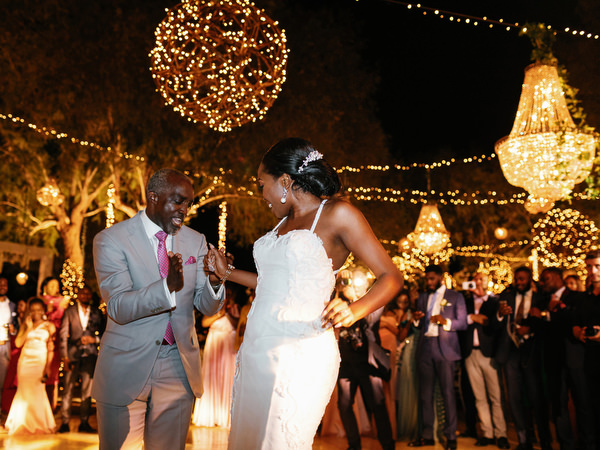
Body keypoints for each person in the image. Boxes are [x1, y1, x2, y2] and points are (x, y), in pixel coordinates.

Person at [206, 138, 403, 450]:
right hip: (256, 350)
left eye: (262, 184)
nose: (261, 195)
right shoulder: (282, 223)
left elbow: (391, 276)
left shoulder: (338, 213)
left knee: (280, 441)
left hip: (300, 352)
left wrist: (354, 310)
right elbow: (270, 283)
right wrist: (225, 273)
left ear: (285, 181)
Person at [92, 168, 226, 450]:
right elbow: (117, 305)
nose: (184, 210)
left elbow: (206, 306)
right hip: (125, 364)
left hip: (178, 366)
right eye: (177, 201)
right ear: (152, 197)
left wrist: (214, 281)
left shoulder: (195, 240)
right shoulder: (111, 239)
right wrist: (167, 288)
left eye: (188, 203)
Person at [408, 264, 467, 450]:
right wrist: (417, 318)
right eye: (427, 278)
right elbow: (418, 325)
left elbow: (463, 322)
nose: (429, 281)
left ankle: (450, 437)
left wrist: (446, 321)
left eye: (432, 278)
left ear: (441, 277)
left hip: (445, 349)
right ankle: (427, 435)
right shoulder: (424, 296)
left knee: (448, 393)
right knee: (425, 395)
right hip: (425, 347)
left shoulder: (455, 296)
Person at [336, 269, 395, 450]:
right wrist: (338, 288)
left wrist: (355, 300)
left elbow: (369, 321)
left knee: (377, 404)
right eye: (352, 282)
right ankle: (354, 445)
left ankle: (387, 445)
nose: (354, 285)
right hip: (346, 362)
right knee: (344, 405)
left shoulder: (373, 300)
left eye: (358, 282)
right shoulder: (340, 300)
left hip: (368, 363)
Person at [493, 266, 551, 450]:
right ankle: (523, 440)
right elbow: (495, 323)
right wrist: (500, 316)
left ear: (530, 280)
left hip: (531, 351)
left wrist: (531, 329)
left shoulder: (540, 299)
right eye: (517, 279)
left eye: (523, 279)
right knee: (515, 398)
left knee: (536, 397)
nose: (519, 282)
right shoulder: (506, 297)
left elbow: (546, 324)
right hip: (510, 351)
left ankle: (544, 441)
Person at [459, 272, 509, 449]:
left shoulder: (495, 301)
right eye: (475, 279)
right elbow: (459, 323)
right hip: (469, 354)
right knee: (479, 397)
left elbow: (498, 326)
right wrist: (471, 317)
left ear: (487, 282)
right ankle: (487, 433)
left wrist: (490, 317)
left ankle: (501, 434)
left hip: (489, 354)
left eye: (481, 279)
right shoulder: (464, 302)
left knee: (496, 396)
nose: (478, 282)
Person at [57, 284, 105, 433]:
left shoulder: (97, 313)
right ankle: (65, 422)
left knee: (87, 391)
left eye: (88, 294)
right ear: (78, 295)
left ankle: (84, 422)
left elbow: (104, 333)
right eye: (82, 293)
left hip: (90, 356)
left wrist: (94, 340)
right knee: (68, 390)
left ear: (91, 296)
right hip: (72, 355)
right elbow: (63, 335)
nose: (85, 296)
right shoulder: (70, 312)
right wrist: (64, 357)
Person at [5, 297, 56, 435]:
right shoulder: (25, 324)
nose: (36, 313)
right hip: (25, 362)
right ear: (29, 311)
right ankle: (21, 422)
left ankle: (40, 423)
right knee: (23, 391)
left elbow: (51, 348)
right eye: (33, 310)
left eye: (38, 310)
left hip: (40, 361)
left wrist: (48, 366)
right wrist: (27, 328)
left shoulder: (49, 326)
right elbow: (18, 343)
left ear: (43, 310)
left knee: (38, 390)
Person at [192, 287, 240, 428]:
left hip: (228, 345)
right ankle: (210, 414)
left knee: (227, 377)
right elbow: (204, 323)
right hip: (214, 344)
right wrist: (220, 313)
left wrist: (228, 313)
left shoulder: (235, 307)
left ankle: (225, 415)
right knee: (211, 378)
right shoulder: (213, 308)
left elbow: (238, 324)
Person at [40, 276, 69, 409]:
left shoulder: (64, 300)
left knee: (53, 373)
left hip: (56, 340)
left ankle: (51, 406)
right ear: (45, 286)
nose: (55, 288)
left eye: (57, 285)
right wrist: (53, 310)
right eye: (51, 285)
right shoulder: (40, 301)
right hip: (41, 338)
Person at [1, 298, 25, 418]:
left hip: (21, 354)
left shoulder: (27, 321)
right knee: (8, 381)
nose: (20, 308)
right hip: (11, 351)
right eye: (19, 306)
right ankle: (5, 409)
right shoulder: (14, 320)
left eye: (23, 306)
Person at [0, 277, 17, 424]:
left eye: (5, 284)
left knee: (2, 381)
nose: (2, 286)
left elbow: (16, 327)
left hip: (4, 346)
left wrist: (12, 330)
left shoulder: (12, 305)